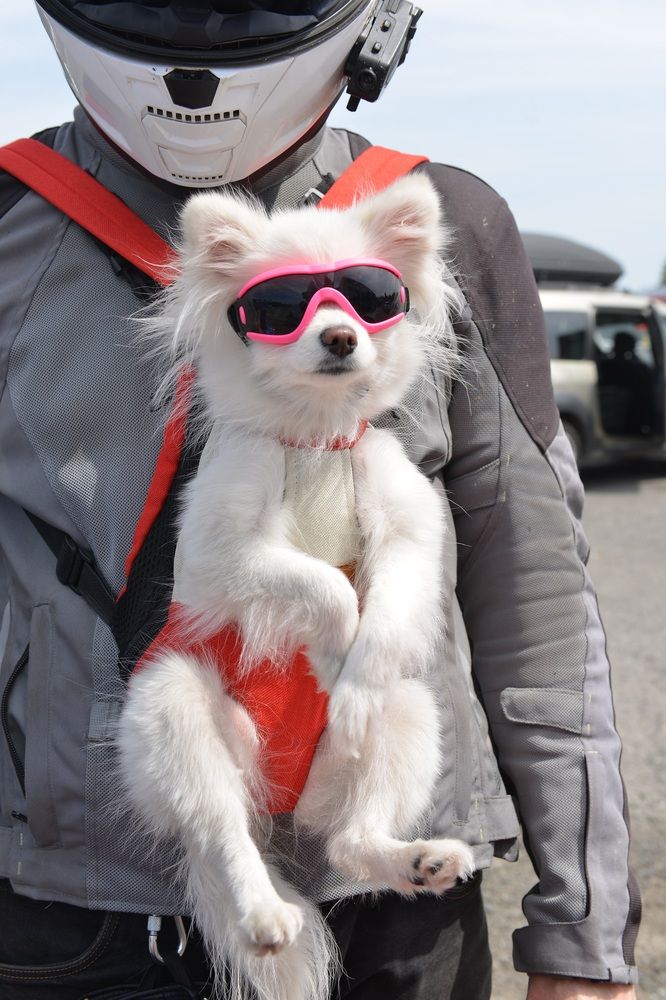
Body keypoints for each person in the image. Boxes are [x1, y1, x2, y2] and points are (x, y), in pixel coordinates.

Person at [0, 2, 639, 999]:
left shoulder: (449, 220)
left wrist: (582, 928)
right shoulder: (12, 219)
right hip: (72, 909)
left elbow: (536, 588)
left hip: (398, 917)